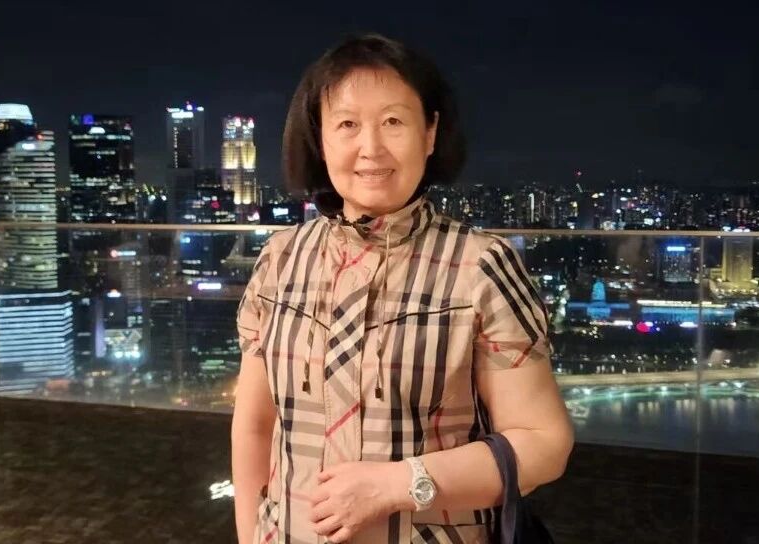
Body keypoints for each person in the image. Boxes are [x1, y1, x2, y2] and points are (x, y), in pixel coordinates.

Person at [232, 33, 573, 544]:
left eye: (393, 121)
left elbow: (545, 443)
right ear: (319, 138)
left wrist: (399, 483)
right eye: (347, 124)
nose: (371, 148)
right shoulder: (280, 260)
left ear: (430, 133)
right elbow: (256, 425)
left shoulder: (478, 265)